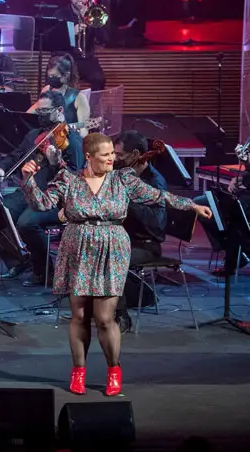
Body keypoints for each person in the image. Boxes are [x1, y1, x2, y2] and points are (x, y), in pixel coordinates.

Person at [21, 132, 210, 396]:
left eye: (113, 153)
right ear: (89, 156)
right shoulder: (68, 179)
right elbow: (42, 203)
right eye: (106, 155)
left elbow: (158, 196)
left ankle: (113, 369)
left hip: (112, 248)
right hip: (78, 247)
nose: (112, 159)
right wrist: (28, 180)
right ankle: (78, 371)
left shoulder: (124, 180)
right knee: (79, 315)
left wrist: (191, 205)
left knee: (105, 317)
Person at [0, 91, 84, 285]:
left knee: (26, 223)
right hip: (28, 191)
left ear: (59, 111)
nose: (40, 115)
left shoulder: (73, 141)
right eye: (39, 111)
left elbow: (76, 178)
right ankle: (19, 260)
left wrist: (55, 163)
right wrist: (1, 167)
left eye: (45, 111)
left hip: (54, 198)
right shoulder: (35, 135)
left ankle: (45, 271)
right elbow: (16, 155)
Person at [112, 130, 169, 331]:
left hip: (145, 245)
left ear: (135, 155)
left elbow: (157, 225)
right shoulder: (122, 175)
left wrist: (130, 200)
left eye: (119, 155)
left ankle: (122, 317)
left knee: (112, 258)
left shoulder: (154, 182)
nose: (114, 159)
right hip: (123, 239)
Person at [52, 0, 108, 91]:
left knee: (99, 78)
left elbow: (104, 38)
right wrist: (71, 32)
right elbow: (53, 41)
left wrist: (90, 20)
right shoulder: (60, 14)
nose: (79, 0)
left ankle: (90, 107)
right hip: (66, 59)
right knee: (55, 80)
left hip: (86, 59)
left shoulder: (95, 13)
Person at [195, 169, 250, 277]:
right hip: (243, 195)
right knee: (200, 203)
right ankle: (230, 248)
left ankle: (237, 253)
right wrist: (237, 179)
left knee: (233, 216)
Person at [27, 53, 90, 130]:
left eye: (54, 76)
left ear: (66, 75)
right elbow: (30, 113)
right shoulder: (47, 89)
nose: (51, 79)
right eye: (49, 76)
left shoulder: (79, 97)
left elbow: (83, 130)